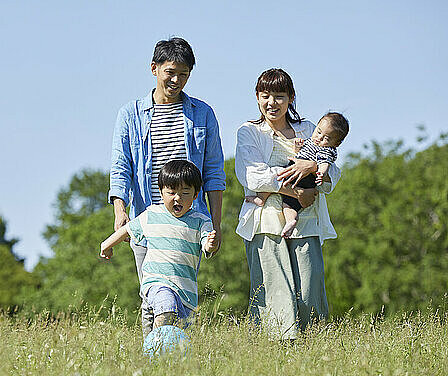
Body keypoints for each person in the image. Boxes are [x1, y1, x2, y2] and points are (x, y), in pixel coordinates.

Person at [108, 37, 225, 338]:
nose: (176, 80)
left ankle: (176, 357)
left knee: (181, 295)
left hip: (189, 221)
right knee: (152, 296)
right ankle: (155, 360)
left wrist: (216, 223)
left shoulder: (202, 114)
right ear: (154, 68)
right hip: (146, 218)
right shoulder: (130, 114)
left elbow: (213, 172)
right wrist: (120, 211)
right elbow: (121, 166)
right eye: (170, 72)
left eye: (184, 74)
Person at [234, 68, 341, 340]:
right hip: (265, 220)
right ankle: (277, 347)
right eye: (265, 95)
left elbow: (333, 172)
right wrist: (295, 191)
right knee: (274, 286)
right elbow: (252, 175)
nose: (272, 102)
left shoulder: (308, 129)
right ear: (257, 98)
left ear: (291, 98)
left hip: (307, 219)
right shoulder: (250, 132)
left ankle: (314, 345)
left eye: (279, 96)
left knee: (308, 286)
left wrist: (313, 165)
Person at [101, 160, 217, 329]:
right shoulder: (152, 214)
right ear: (161, 193)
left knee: (177, 344)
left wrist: (210, 244)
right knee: (167, 309)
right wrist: (107, 244)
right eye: (171, 192)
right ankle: (159, 337)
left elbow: (207, 245)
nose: (177, 198)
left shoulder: (200, 221)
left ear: (196, 194)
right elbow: (127, 229)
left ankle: (154, 350)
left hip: (185, 293)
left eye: (185, 193)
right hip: (157, 284)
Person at [246, 112, 349, 238]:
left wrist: (319, 171)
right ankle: (291, 220)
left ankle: (261, 198)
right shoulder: (311, 140)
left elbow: (324, 163)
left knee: (278, 178)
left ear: (336, 143)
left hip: (303, 176)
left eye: (326, 138)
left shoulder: (327, 150)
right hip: (298, 177)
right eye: (319, 131)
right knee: (289, 204)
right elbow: (300, 154)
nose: (319, 138)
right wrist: (297, 148)